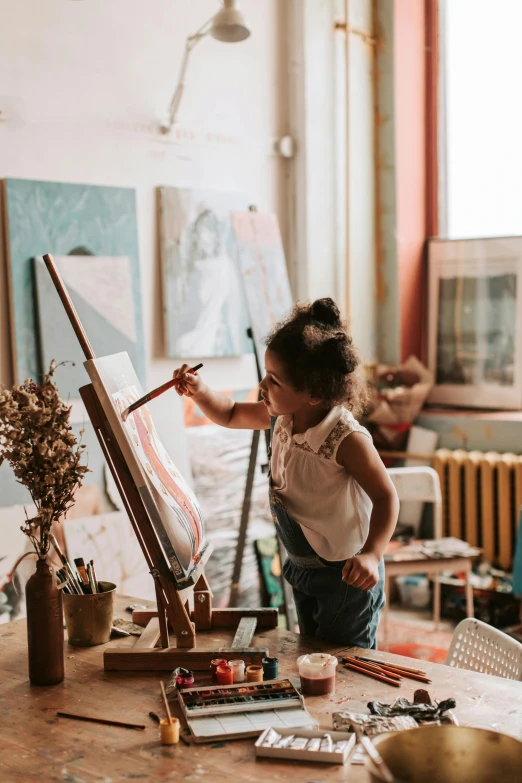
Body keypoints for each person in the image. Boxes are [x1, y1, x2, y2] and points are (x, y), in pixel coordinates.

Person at [173, 298, 399, 647]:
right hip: (303, 565)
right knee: (312, 649)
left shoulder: (345, 438)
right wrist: (200, 392)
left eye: (274, 380)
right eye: (266, 374)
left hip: (346, 576)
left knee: (346, 659)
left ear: (313, 393)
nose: (263, 386)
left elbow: (386, 496)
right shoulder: (280, 417)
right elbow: (231, 413)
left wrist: (372, 553)